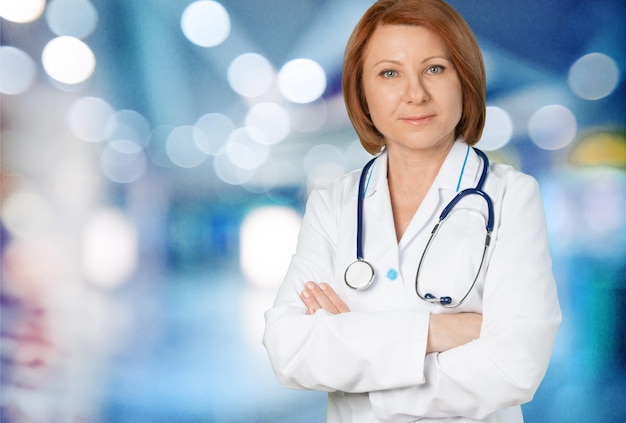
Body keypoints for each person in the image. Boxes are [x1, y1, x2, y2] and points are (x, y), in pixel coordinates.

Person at [263, 0, 561, 421]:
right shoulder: (332, 204)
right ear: (362, 92)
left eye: (435, 68)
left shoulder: (511, 197)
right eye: (389, 73)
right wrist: (437, 331)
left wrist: (363, 375)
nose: (415, 93)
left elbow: (513, 368)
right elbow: (289, 350)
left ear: (465, 79)